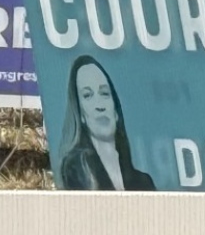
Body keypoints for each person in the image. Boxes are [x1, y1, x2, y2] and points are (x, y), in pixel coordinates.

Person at [56, 55, 155, 190]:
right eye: (87, 95)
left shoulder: (144, 183)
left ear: (116, 111)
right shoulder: (75, 171)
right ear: (81, 115)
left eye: (104, 93)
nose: (100, 106)